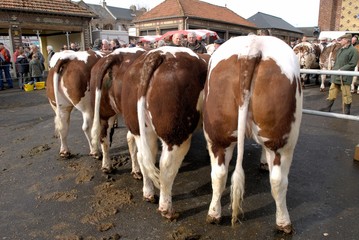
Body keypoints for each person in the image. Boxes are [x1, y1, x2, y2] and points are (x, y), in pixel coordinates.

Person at [320, 33, 359, 115]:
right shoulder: (341, 49)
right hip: (336, 75)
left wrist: (342, 69)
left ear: (347, 40)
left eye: (342, 39)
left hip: (345, 77)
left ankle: (346, 111)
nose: (340, 40)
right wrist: (334, 69)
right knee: (332, 92)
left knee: (346, 94)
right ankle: (328, 108)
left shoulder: (353, 51)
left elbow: (352, 63)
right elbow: (337, 62)